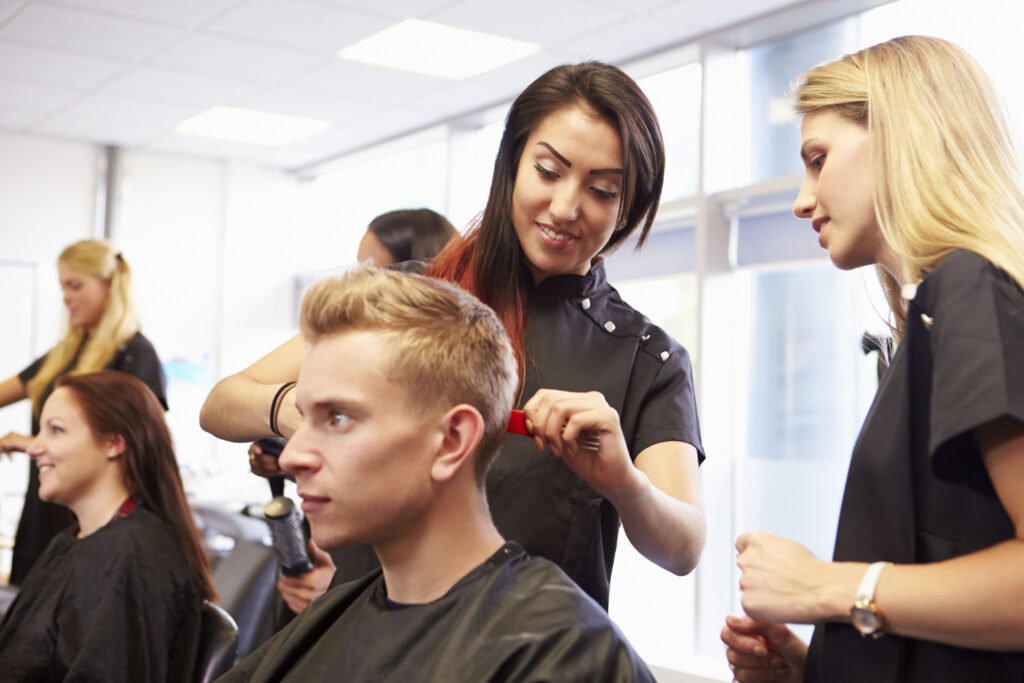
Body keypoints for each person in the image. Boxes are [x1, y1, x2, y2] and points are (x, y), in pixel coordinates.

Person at [201, 60, 707, 611]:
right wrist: (306, 416)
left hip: (526, 655)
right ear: (512, 164)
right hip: (362, 633)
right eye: (548, 171)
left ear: (627, 206)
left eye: (602, 190)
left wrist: (624, 482)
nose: (565, 207)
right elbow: (222, 403)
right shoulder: (406, 298)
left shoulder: (647, 359)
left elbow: (683, 548)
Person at [721, 35, 1024, 683]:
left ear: (899, 138)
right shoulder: (928, 322)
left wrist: (824, 586)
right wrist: (811, 665)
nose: (804, 199)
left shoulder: (968, 291)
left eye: (817, 159)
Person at [217, 266, 654, 682]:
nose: (292, 456)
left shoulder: (565, 656)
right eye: (303, 419)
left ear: (451, 441)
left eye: (337, 419)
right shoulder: (327, 619)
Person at [246, 208, 457, 616]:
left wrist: (345, 587)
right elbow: (221, 405)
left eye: (376, 271)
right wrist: (287, 451)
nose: (362, 286)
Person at [0, 371, 215, 682]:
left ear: (114, 443)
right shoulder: (74, 539)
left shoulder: (134, 554)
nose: (33, 448)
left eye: (56, 430)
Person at [0, 239, 166, 586]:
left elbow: (138, 443)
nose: (66, 297)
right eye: (62, 287)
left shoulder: (135, 355)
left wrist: (27, 442)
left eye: (75, 286)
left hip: (89, 520)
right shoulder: (66, 353)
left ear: (109, 285)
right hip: (44, 509)